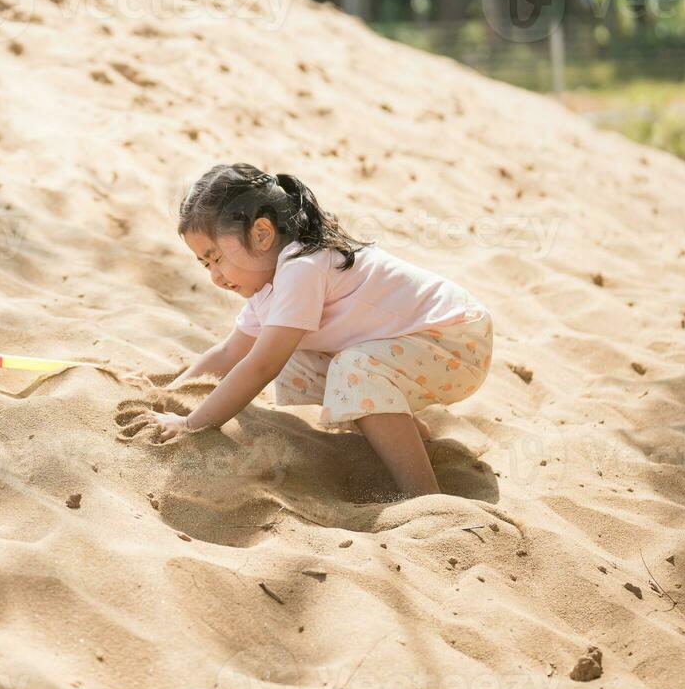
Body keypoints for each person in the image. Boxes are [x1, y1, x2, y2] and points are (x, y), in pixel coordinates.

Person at [130, 163, 493, 497]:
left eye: (217, 259)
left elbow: (259, 367)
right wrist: (169, 395)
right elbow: (229, 354)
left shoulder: (302, 267)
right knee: (295, 360)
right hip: (414, 344)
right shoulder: (267, 286)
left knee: (349, 370)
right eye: (204, 264)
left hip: (456, 340)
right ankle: (409, 435)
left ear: (261, 234)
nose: (215, 277)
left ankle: (423, 494)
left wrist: (191, 424)